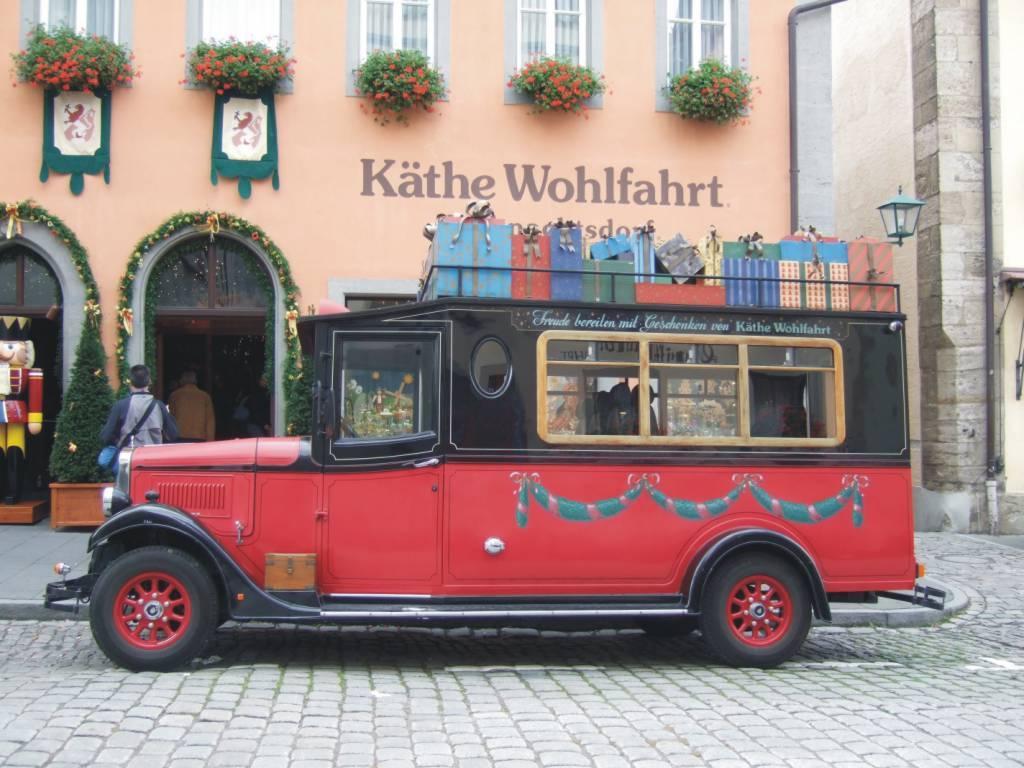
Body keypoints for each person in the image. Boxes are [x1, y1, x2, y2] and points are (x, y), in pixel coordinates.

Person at [100, 364, 179, 449]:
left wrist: (119, 442)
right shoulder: (159, 406)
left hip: (129, 454)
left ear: (130, 382)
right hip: (153, 454)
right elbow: (173, 435)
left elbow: (105, 436)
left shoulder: (121, 405)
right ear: (149, 381)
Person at [168, 370, 215, 442]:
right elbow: (210, 421)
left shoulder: (174, 395)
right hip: (200, 437)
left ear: (181, 381)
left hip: (180, 436)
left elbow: (171, 418)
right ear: (196, 381)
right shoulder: (205, 396)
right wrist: (210, 440)